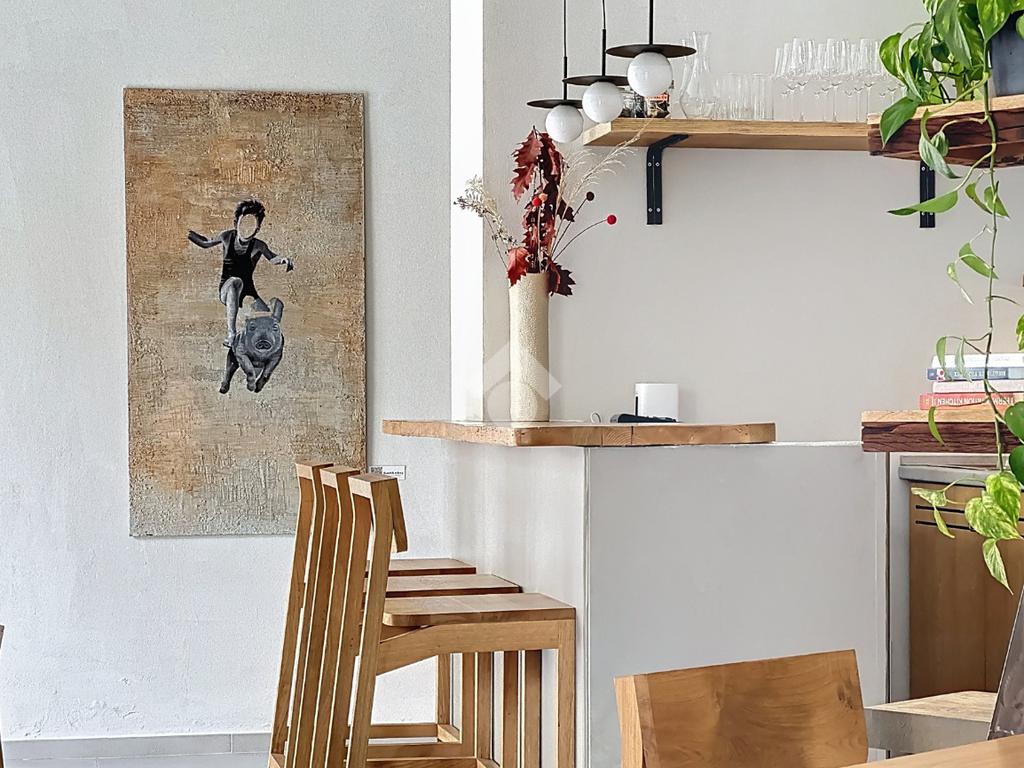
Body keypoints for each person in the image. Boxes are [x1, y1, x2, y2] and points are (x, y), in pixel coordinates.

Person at [187, 199, 294, 347]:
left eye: (252, 225)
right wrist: (186, 232)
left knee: (269, 318)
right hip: (228, 289)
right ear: (236, 223)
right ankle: (231, 334)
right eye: (243, 223)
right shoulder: (227, 237)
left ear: (257, 229)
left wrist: (283, 260)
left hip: (248, 293)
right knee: (235, 281)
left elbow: (272, 258)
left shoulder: (258, 245)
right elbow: (206, 243)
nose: (246, 229)